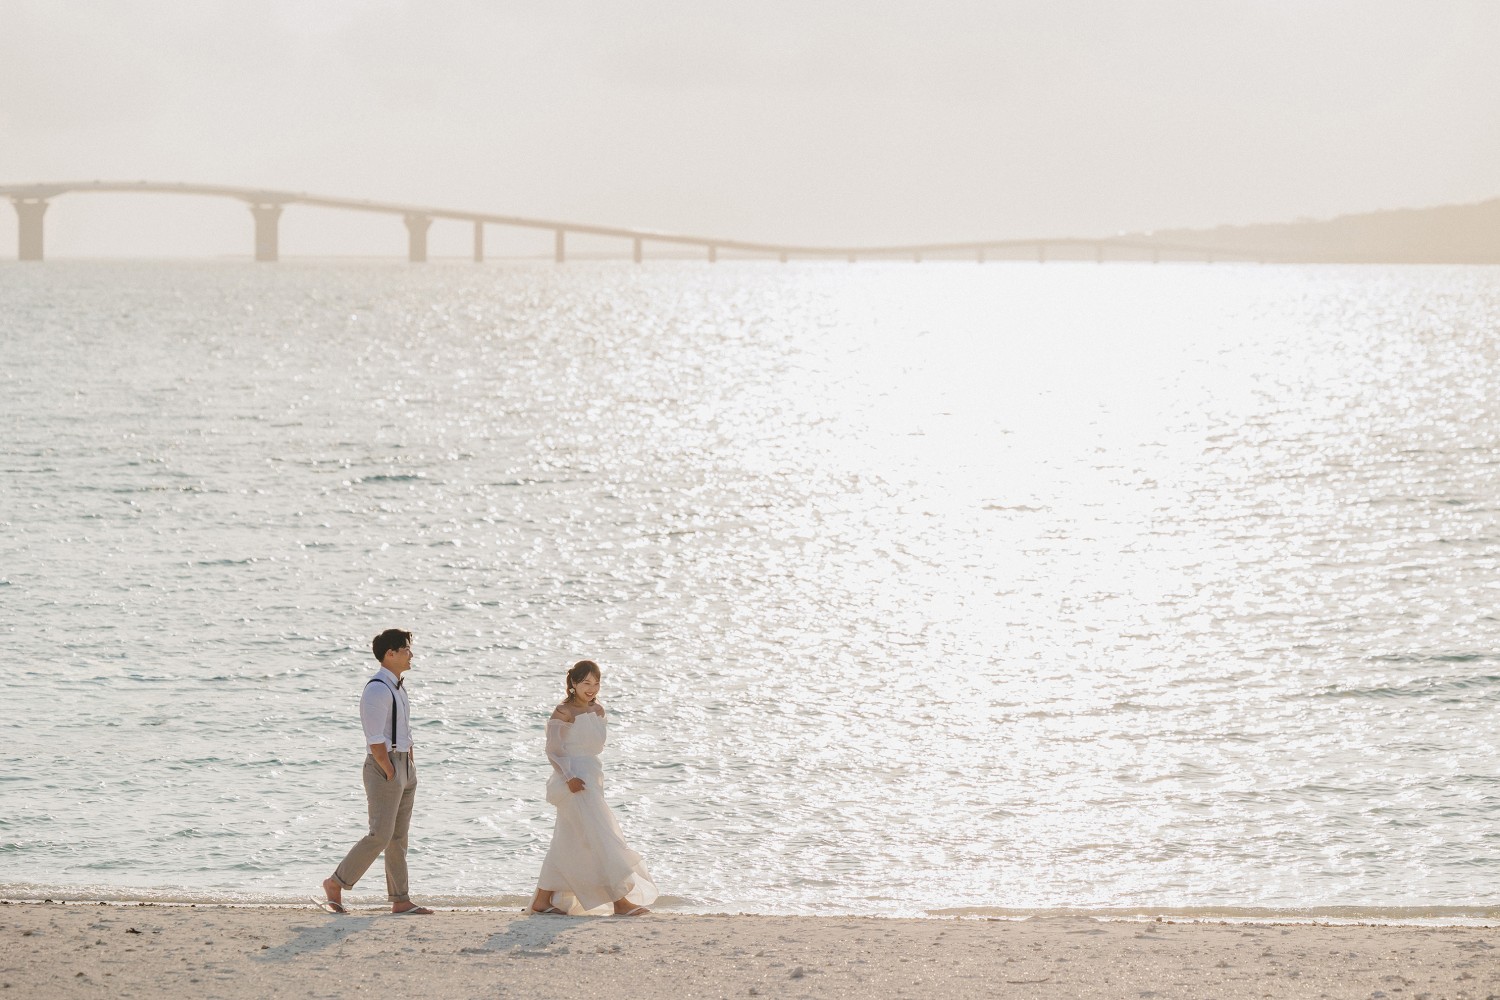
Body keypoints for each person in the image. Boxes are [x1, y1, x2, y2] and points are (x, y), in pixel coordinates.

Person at [315, 628, 434, 915]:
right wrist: (389, 769)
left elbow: (402, 730)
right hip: (385, 766)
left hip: (404, 765)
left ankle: (400, 900)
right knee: (380, 835)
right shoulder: (377, 689)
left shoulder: (398, 687)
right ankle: (335, 882)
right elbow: (375, 738)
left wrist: (409, 763)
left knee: (398, 838)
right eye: (406, 649)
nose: (411, 654)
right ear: (389, 654)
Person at [529, 659, 656, 916]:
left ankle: (542, 900)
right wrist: (569, 778)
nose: (592, 688)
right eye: (586, 682)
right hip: (573, 781)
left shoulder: (598, 710)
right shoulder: (563, 711)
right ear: (573, 684)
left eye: (596, 683)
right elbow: (553, 750)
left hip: (592, 776)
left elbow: (594, 747)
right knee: (599, 837)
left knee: (570, 840)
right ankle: (619, 901)